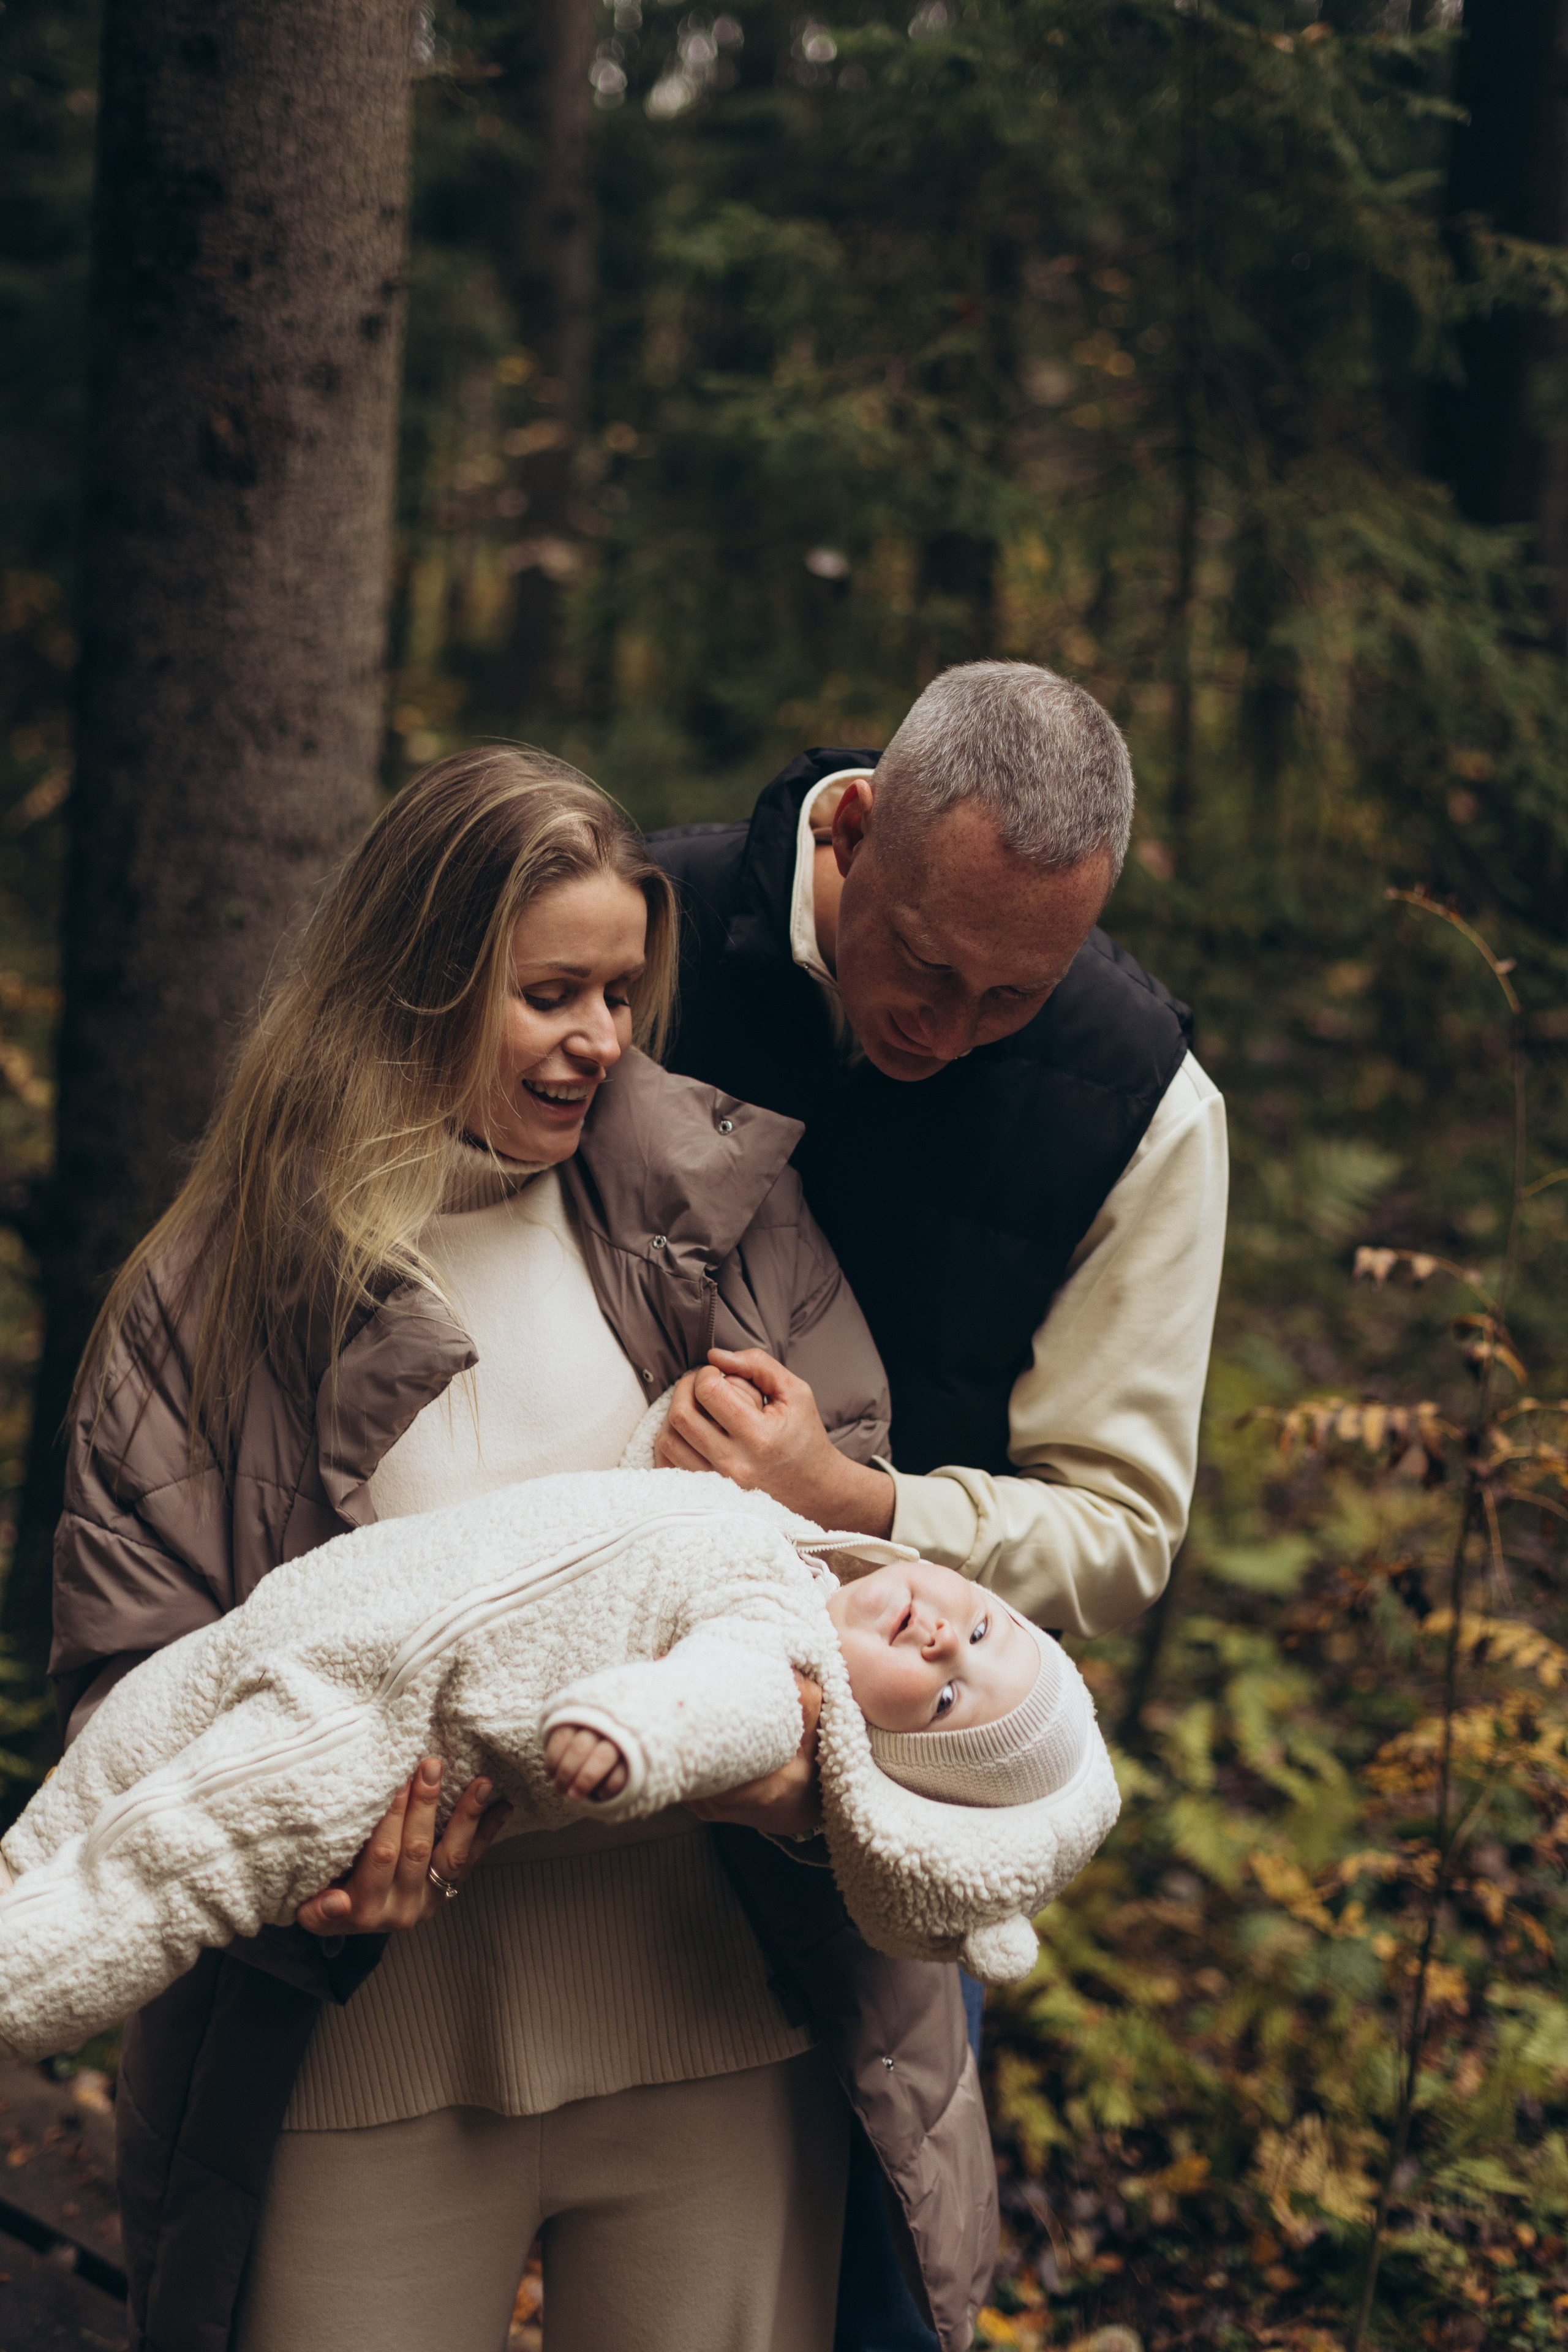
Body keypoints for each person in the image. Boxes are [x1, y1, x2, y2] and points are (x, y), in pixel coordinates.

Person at [47, 747, 993, 2352]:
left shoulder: (729, 1213)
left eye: (623, 992)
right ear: (415, 982)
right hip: (356, 2062)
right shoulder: (215, 1296)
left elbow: (876, 1616)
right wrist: (301, 1882)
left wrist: (803, 1765)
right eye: (551, 994)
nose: (601, 1040)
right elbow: (128, 1699)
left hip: (722, 2037)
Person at [647, 658, 1229, 2346]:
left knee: (879, 2292)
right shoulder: (639, 921)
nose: (948, 1030)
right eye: (925, 964)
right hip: (582, 1708)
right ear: (859, 825)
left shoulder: (1144, 1104)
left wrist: (865, 1502)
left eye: (1010, 998)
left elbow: (1120, 1530)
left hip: (881, 1805)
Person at [2, 1474, 1117, 2062]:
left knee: (153, 1874)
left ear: (878, 1752)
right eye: (983, 1634)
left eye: (945, 1700)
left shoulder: (780, 1660)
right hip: (311, 1621)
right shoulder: (781, 1537)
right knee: (97, 1786)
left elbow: (713, 1705)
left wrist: (634, 1735)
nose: (942, 1646)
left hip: (366, 1732)